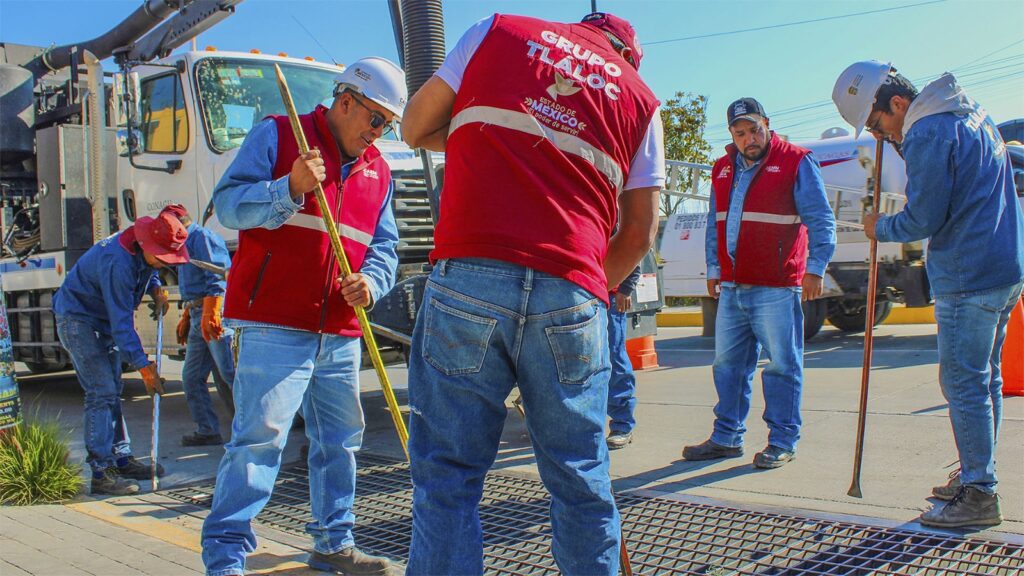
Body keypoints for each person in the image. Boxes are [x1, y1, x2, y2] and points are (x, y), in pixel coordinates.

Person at [402, 12, 664, 575]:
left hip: (469, 274)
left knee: (447, 477)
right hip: (572, 287)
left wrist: (485, 135)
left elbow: (414, 127)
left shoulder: (496, 30)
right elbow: (640, 231)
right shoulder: (641, 99)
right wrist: (592, 287)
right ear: (627, 54)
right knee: (579, 478)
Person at [200, 57, 403, 576]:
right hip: (272, 321)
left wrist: (372, 283)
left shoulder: (379, 170)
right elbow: (226, 207)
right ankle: (225, 559)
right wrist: (286, 188)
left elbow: (384, 247)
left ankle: (333, 543)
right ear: (345, 101)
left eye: (388, 125)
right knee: (259, 441)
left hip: (338, 329)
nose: (378, 134)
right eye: (375, 120)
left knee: (340, 441)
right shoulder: (278, 133)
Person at [833, 62, 1024, 528]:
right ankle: (977, 473)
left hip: (968, 273)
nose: (882, 137)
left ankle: (979, 491)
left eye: (879, 125)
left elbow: (924, 217)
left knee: (962, 382)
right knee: (984, 380)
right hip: (1003, 268)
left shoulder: (927, 131)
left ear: (897, 104)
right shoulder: (967, 112)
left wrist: (882, 226)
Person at [682, 97, 836, 470]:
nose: (748, 138)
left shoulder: (796, 161)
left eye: (754, 129)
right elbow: (713, 224)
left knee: (783, 366)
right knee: (728, 365)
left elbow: (821, 220)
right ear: (731, 135)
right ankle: (726, 437)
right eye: (740, 132)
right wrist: (714, 268)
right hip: (733, 288)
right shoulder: (721, 169)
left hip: (777, 286)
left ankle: (782, 440)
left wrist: (815, 269)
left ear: (767, 124)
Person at [53, 213, 188, 495]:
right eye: (163, 258)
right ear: (149, 245)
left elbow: (146, 268)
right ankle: (101, 473)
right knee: (101, 391)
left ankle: (122, 459)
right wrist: (144, 366)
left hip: (99, 320)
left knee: (113, 389)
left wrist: (155, 287)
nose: (166, 264)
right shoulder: (117, 262)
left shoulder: (140, 246)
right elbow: (122, 324)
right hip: (79, 320)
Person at [161, 204, 235, 447]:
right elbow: (193, 282)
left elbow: (218, 276)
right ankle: (207, 430)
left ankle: (255, 426)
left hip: (212, 313)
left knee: (229, 374)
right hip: (197, 313)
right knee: (192, 377)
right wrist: (188, 312)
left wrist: (211, 311)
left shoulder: (201, 237)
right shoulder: (183, 243)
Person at [606, 264, 642, 450]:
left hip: (610, 297)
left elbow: (634, 248)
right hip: (580, 293)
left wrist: (626, 289)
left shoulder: (614, 231)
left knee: (614, 358)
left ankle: (622, 425)